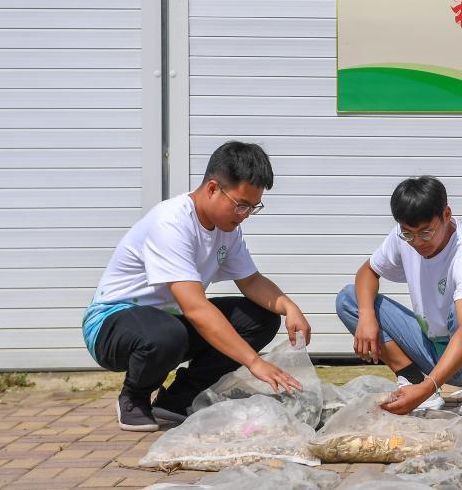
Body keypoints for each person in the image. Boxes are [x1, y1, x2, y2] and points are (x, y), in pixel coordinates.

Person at [81, 141, 311, 431]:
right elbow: (195, 307)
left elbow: (251, 280)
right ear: (213, 188)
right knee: (168, 333)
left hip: (169, 320)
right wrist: (254, 362)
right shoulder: (172, 222)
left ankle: (177, 400)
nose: (245, 215)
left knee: (261, 318)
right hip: (111, 324)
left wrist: (288, 306)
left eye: (253, 207)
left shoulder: (227, 229)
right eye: (240, 205)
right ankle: (134, 397)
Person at [335, 176, 462, 416]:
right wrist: (367, 316)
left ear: (446, 214)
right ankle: (412, 380)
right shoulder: (403, 237)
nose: (417, 242)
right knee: (349, 300)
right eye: (408, 234)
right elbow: (367, 271)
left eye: (425, 233)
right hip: (437, 347)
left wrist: (428, 386)